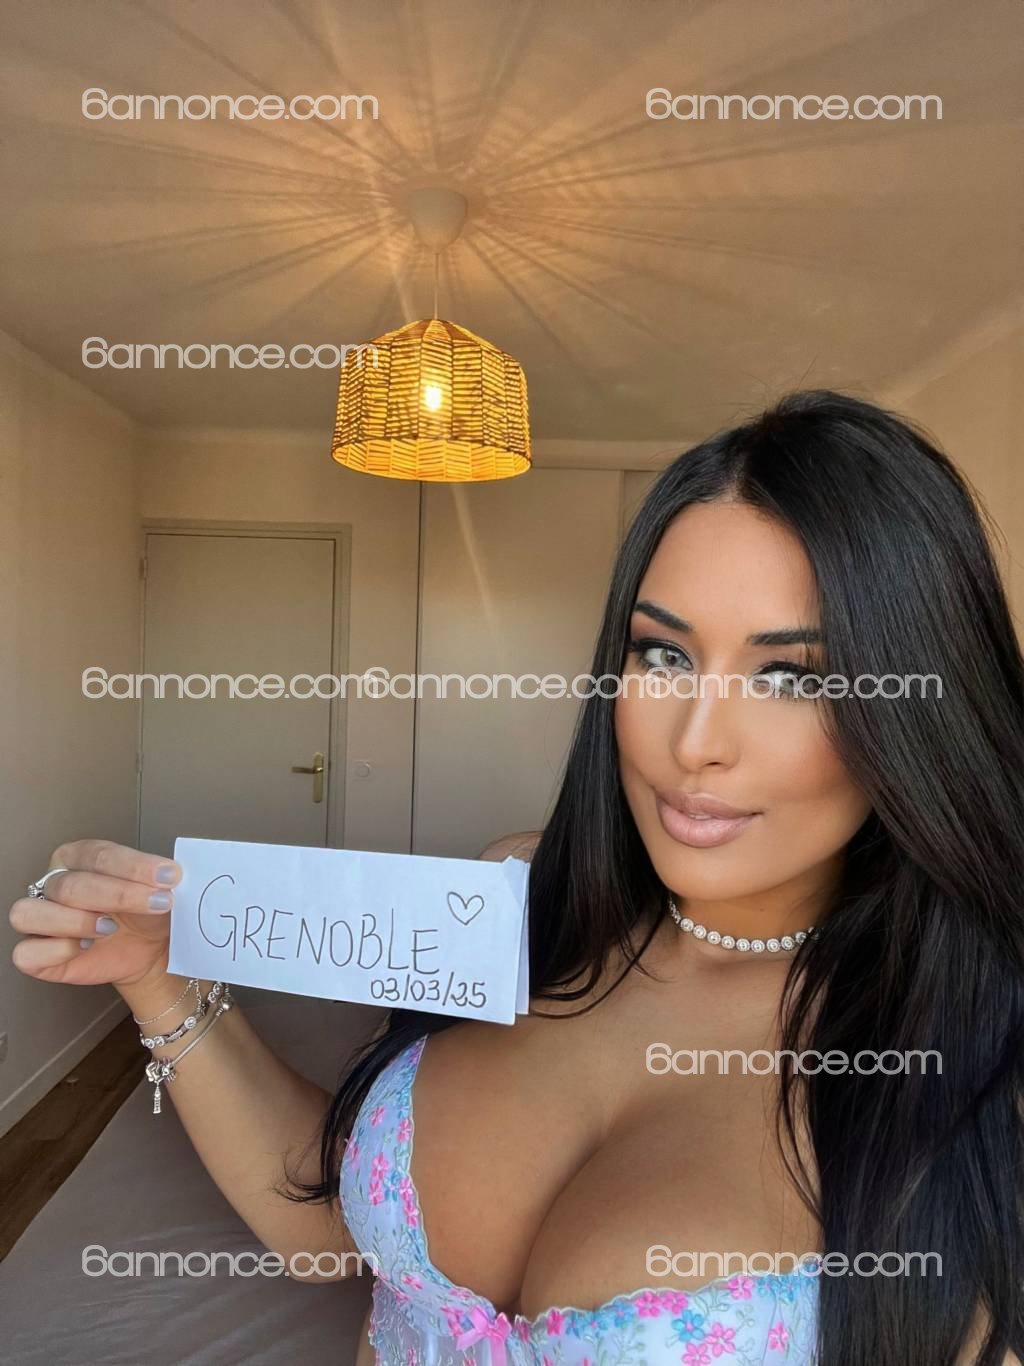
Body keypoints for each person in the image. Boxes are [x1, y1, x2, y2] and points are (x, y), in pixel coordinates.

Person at [10, 390, 1023, 1365]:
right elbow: (327, 1233)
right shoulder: (516, 896)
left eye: (791, 676)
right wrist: (161, 977)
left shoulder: (978, 1059)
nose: (694, 742)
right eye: (664, 655)